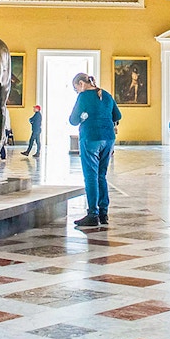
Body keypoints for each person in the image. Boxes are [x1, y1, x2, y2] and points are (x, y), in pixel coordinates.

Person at [69, 73, 122, 228]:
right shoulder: (106, 95)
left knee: (90, 176)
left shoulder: (84, 96)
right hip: (108, 138)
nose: (77, 92)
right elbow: (118, 115)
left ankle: (93, 214)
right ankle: (103, 213)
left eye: (76, 88)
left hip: (91, 137)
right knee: (101, 175)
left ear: (81, 83)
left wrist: (84, 117)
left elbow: (73, 120)